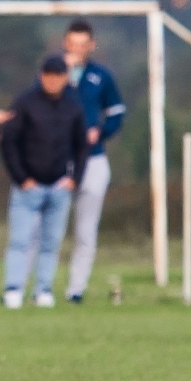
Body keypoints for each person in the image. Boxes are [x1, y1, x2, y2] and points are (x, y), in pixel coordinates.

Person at [0, 55, 89, 309]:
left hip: (59, 184)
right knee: (20, 240)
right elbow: (9, 142)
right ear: (41, 76)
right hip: (29, 185)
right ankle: (13, 289)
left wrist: (74, 179)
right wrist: (21, 178)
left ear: (65, 78)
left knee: (51, 243)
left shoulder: (73, 106)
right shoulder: (25, 103)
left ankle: (43, 290)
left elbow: (82, 146)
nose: (52, 81)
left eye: (57, 76)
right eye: (48, 76)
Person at [62, 20, 126, 303]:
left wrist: (100, 131)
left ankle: (76, 289)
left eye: (82, 44)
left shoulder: (102, 76)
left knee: (86, 229)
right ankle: (39, 289)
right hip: (58, 159)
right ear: (65, 44)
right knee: (48, 227)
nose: (77, 50)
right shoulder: (54, 73)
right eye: (72, 44)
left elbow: (116, 113)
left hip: (93, 159)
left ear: (91, 46)